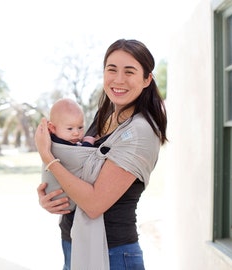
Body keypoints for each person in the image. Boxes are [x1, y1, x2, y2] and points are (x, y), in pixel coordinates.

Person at [35, 39, 167, 270]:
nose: (118, 79)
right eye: (111, 69)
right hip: (74, 241)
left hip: (112, 253)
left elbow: (95, 204)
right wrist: (52, 198)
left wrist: (48, 157)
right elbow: (79, 173)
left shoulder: (140, 132)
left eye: (129, 71)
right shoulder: (103, 115)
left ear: (147, 79)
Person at [42, 98, 95, 211]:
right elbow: (79, 157)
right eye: (70, 128)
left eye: (80, 127)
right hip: (63, 199)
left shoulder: (54, 140)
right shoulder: (59, 146)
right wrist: (88, 142)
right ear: (52, 128)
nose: (76, 133)